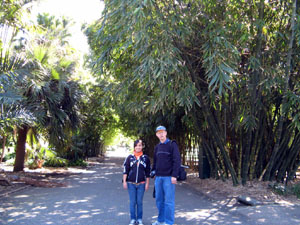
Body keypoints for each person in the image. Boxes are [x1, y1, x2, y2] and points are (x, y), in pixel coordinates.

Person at [151, 126, 181, 225]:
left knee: (169, 201)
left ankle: (169, 222)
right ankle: (160, 220)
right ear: (156, 135)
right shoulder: (157, 147)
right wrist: (153, 172)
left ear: (166, 133)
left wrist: (174, 175)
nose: (161, 134)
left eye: (163, 132)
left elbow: (177, 160)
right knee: (159, 200)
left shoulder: (172, 144)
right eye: (159, 133)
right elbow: (155, 162)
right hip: (158, 177)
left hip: (169, 177)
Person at [123, 139, 151, 225]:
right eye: (137, 145)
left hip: (141, 184)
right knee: (132, 202)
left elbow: (147, 172)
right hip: (131, 184)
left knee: (139, 202)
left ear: (142, 146)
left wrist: (147, 183)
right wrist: (124, 181)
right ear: (134, 147)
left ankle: (139, 219)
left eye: (140, 145)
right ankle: (132, 219)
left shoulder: (145, 158)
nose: (138, 147)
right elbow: (125, 170)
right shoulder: (129, 157)